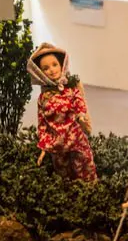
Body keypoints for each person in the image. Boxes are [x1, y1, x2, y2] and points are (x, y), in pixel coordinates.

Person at [28, 43, 96, 182]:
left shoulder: (70, 89)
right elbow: (42, 124)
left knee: (85, 171)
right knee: (64, 178)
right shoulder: (43, 98)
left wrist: (81, 116)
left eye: (55, 65)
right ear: (40, 73)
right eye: (46, 68)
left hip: (76, 140)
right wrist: (44, 146)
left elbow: (80, 103)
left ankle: (91, 190)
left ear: (61, 65)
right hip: (57, 145)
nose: (52, 70)